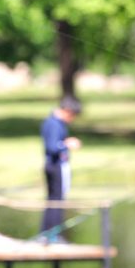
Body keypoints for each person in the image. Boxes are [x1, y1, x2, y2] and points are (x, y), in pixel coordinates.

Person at [40, 96, 82, 241]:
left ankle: (47, 234)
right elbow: (52, 147)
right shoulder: (55, 124)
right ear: (68, 111)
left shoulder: (50, 122)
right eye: (73, 116)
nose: (72, 119)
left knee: (52, 200)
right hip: (56, 166)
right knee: (57, 200)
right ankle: (53, 235)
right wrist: (68, 144)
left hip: (51, 165)